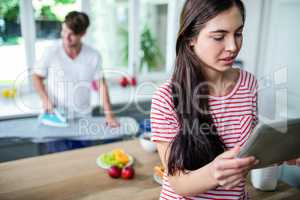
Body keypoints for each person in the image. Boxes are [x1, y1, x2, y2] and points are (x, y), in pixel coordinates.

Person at [151, 0, 299, 199]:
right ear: (190, 38)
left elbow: (250, 151)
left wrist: (282, 152)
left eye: (238, 33)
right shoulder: (166, 97)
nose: (233, 46)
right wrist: (214, 173)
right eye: (219, 37)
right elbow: (178, 183)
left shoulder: (249, 84)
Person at [32, 11, 118, 127]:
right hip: (56, 115)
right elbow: (36, 77)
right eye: (64, 31)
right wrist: (45, 100)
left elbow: (101, 85)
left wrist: (109, 114)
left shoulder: (93, 56)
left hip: (83, 116)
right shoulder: (51, 52)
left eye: (71, 34)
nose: (66, 37)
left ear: (83, 33)